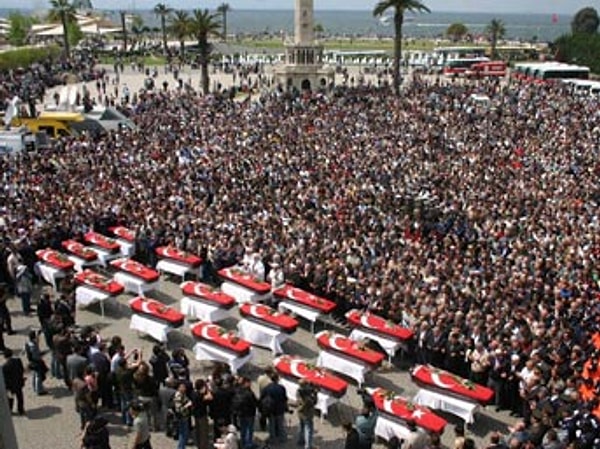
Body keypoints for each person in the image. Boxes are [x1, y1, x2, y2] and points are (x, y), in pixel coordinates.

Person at [260, 372, 288, 444]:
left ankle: (273, 439)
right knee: (280, 424)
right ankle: (281, 438)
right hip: (280, 409)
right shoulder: (281, 388)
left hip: (270, 409)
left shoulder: (267, 388)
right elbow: (285, 398)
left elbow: (262, 398)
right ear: (277, 379)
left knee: (271, 424)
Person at [232, 376, 258, 449]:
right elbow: (254, 403)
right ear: (246, 383)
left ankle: (243, 442)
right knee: (249, 429)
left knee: (243, 428)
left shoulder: (238, 390)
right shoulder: (249, 393)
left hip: (241, 413)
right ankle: (248, 444)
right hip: (249, 414)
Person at [190, 378, 212, 449]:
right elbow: (210, 397)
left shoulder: (193, 393)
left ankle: (199, 445)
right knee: (204, 433)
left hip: (196, 415)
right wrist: (208, 390)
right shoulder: (200, 396)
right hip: (202, 415)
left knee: (198, 432)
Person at [2, 348, 25, 415]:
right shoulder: (18, 360)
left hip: (10, 386)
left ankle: (10, 411)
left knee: (10, 399)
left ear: (5, 356)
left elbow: (5, 379)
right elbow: (22, 370)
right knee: (20, 397)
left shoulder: (4, 367)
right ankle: (21, 410)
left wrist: (6, 387)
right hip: (19, 382)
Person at [25, 329, 48, 395]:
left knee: (35, 375)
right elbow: (37, 356)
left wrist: (38, 334)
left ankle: (35, 387)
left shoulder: (28, 344)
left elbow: (37, 341)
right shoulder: (33, 347)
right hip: (36, 362)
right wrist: (43, 353)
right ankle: (39, 390)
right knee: (38, 376)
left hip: (32, 362)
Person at [296, 379, 317, 449]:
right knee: (308, 429)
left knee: (301, 426)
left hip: (300, 412)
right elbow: (313, 402)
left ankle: (300, 440)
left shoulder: (298, 391)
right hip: (307, 414)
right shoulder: (307, 397)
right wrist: (315, 394)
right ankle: (308, 446)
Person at [172, 381, 193, 449]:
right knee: (183, 434)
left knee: (183, 433)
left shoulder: (182, 394)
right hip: (182, 417)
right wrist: (187, 405)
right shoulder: (178, 396)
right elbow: (179, 409)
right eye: (182, 387)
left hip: (184, 416)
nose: (184, 388)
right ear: (179, 388)